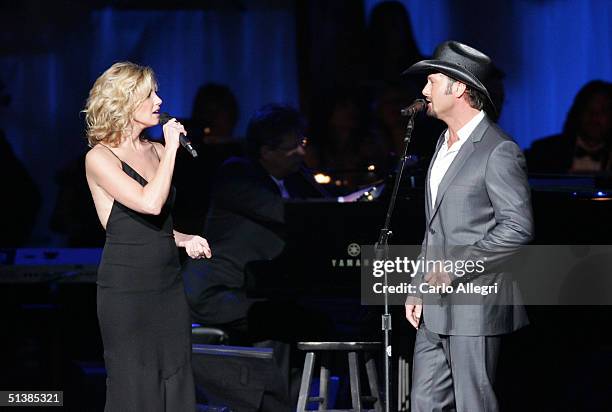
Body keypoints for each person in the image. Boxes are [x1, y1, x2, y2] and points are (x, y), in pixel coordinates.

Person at [402, 41, 534, 411]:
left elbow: (518, 227)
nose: (424, 91)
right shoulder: (442, 144)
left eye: (431, 81)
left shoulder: (498, 150)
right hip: (435, 303)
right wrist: (417, 288)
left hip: (476, 302)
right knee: (424, 403)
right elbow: (434, 229)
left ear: (458, 87)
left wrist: (457, 268)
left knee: (474, 404)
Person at [83, 61, 211, 412]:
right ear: (124, 102)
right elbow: (148, 204)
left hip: (167, 288)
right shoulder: (100, 158)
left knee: (176, 378)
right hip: (127, 290)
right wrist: (170, 148)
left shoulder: (155, 151)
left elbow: (159, 227)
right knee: (136, 387)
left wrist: (185, 239)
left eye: (157, 92)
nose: (159, 100)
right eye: (149, 94)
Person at [526, 80, 612, 174]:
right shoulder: (543, 152)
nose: (594, 116)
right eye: (588, 108)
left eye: (603, 110)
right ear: (578, 112)